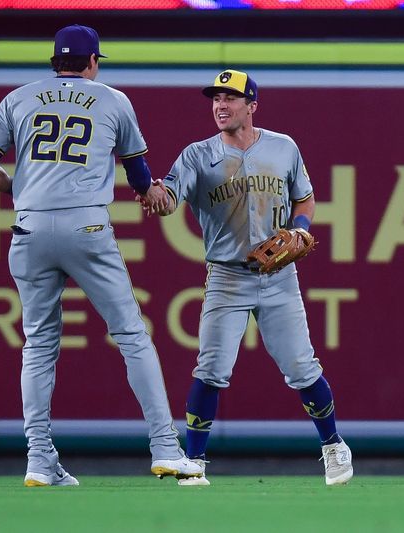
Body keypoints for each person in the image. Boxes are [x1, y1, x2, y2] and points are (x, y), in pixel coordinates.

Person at [0, 24, 202, 487]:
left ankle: (38, 458)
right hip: (86, 226)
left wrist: (26, 190)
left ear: (55, 61)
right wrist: (154, 193)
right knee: (132, 334)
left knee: (37, 345)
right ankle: (165, 448)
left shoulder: (18, 98)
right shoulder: (113, 100)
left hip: (29, 226)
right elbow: (139, 178)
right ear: (92, 62)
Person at [139, 69, 353, 486]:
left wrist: (302, 228)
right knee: (211, 368)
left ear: (251, 105)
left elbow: (304, 197)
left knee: (302, 368)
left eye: (231, 98)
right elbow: (169, 201)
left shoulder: (283, 147)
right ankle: (195, 461)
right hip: (227, 276)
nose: (220, 105)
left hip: (279, 276)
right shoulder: (197, 155)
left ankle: (333, 446)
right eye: (216, 98)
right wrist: (153, 194)